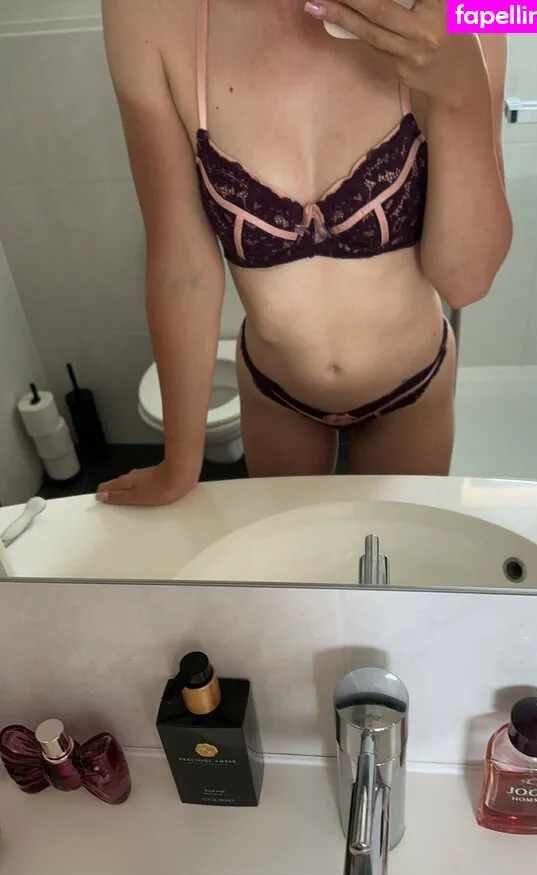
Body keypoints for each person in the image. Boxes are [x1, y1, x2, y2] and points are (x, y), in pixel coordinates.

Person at [98, 0, 511, 507]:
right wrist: (180, 465)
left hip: (414, 391)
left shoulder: (457, 12)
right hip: (276, 394)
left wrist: (462, 92)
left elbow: (466, 280)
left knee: (399, 553)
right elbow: (182, 262)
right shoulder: (144, 13)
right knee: (288, 557)